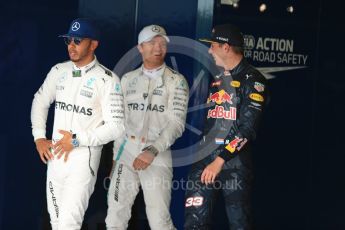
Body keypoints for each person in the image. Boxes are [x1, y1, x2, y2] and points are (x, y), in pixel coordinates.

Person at [31, 18, 125, 229]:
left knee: (68, 224)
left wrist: (76, 140)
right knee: (56, 223)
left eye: (77, 40)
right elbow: (40, 101)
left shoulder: (108, 80)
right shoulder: (59, 71)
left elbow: (117, 127)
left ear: (93, 44)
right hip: (55, 158)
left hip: (83, 160)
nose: (71, 46)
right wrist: (39, 137)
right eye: (68, 41)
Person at [184, 24, 269, 229]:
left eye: (213, 45)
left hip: (234, 163)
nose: (210, 50)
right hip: (205, 158)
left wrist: (220, 159)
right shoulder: (218, 77)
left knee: (238, 222)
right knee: (194, 221)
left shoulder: (254, 80)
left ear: (226, 47)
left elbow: (247, 129)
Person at [105, 24, 189, 230]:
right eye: (152, 43)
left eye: (162, 43)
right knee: (115, 217)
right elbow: (119, 124)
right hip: (126, 152)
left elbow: (176, 124)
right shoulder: (127, 79)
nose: (158, 47)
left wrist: (152, 150)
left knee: (159, 220)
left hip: (157, 154)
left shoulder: (176, 81)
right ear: (140, 47)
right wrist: (115, 160)